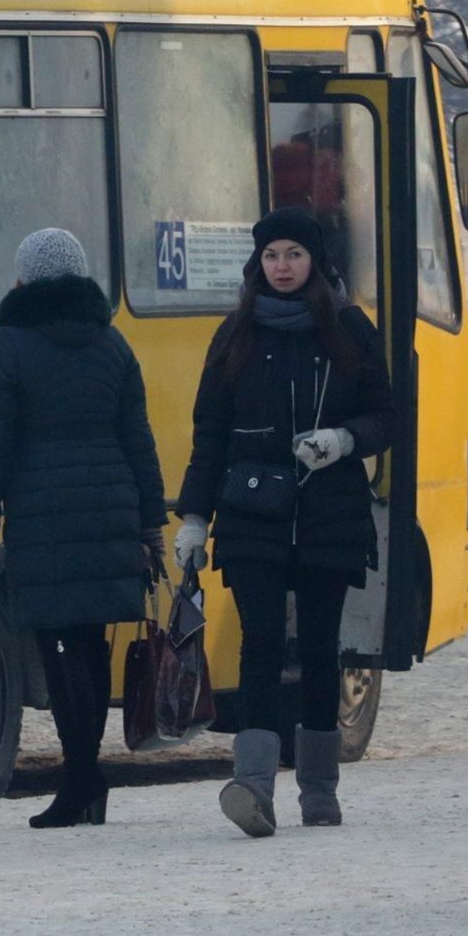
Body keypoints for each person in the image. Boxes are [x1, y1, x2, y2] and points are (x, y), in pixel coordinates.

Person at [175, 207, 391, 835]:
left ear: (315, 262)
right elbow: (209, 431)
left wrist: (345, 440)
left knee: (322, 649)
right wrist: (194, 517)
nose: (282, 267)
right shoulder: (237, 332)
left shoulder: (349, 329)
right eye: (272, 256)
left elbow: (386, 413)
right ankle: (255, 788)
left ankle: (320, 790)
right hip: (251, 514)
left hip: (329, 513)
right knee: (260, 644)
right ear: (257, 264)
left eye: (294, 254)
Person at [0, 228, 165, 829]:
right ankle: (86, 781)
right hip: (109, 511)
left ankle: (81, 783)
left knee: (57, 652)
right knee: (90, 647)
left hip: (42, 516)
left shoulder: (6, 348)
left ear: (23, 280)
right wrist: (152, 525)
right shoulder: (113, 344)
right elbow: (140, 441)